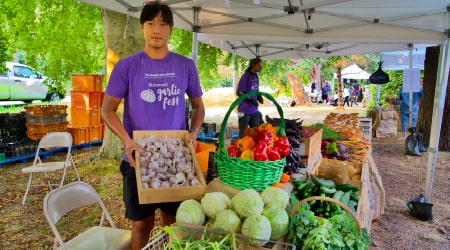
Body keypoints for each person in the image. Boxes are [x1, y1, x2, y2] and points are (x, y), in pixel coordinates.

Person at [100, 3, 205, 249]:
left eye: (162, 24)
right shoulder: (126, 66)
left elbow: (199, 107)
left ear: (170, 29)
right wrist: (127, 140)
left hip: (175, 158)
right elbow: (107, 109)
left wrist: (194, 132)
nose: (156, 29)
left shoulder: (185, 66)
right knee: (141, 224)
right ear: (142, 27)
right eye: (150, 23)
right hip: (137, 158)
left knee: (172, 221)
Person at [236, 58, 264, 138]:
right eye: (258, 65)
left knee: (256, 133)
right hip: (243, 110)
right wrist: (251, 100)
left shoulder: (256, 76)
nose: (260, 66)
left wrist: (259, 96)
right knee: (243, 133)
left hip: (254, 110)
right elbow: (239, 92)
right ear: (253, 65)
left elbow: (256, 88)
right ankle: (241, 148)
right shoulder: (245, 76)